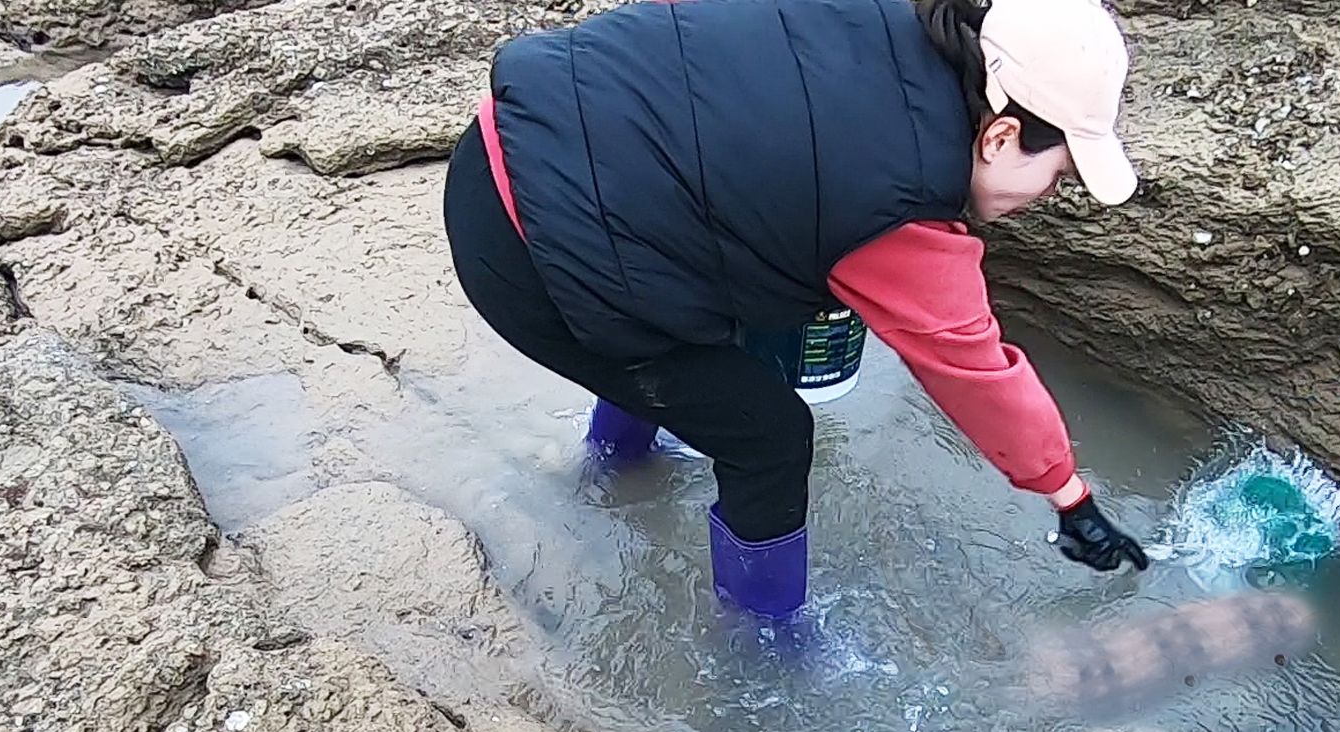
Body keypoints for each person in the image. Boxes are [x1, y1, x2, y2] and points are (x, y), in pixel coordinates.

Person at [443, 0, 1149, 620]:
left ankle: (614, 468)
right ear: (999, 136)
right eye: (1058, 174)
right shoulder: (903, 209)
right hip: (529, 257)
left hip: (507, 137)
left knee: (692, 318)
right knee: (769, 435)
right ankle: (765, 646)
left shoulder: (868, 16)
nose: (1049, 197)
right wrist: (1070, 498)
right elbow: (975, 371)